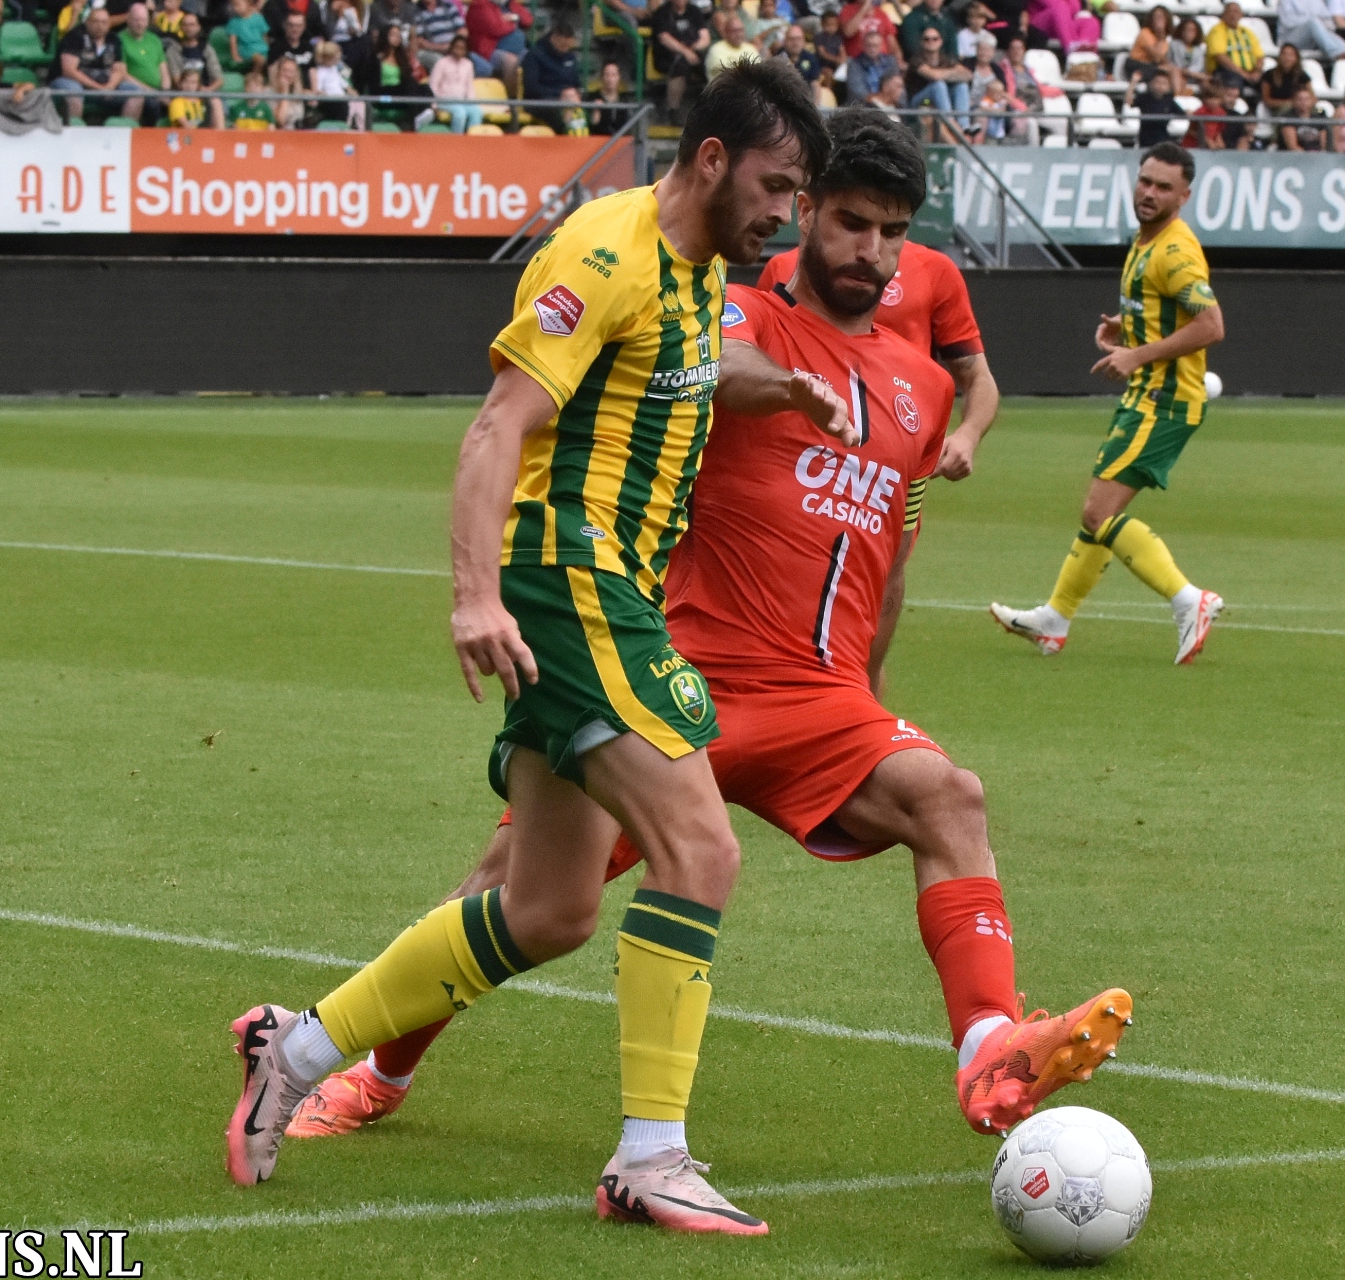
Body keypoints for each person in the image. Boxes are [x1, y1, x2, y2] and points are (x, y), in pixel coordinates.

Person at [281, 106, 1133, 1166]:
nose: (870, 250)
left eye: (892, 232)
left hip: (822, 694)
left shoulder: (918, 390)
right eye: (850, 223)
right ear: (807, 213)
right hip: (680, 669)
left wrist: (869, 693)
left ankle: (992, 1044)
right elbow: (708, 367)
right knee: (525, 887)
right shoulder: (727, 309)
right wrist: (774, 382)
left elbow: (890, 558)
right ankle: (374, 1069)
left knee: (950, 795)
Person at [222, 62, 843, 1237]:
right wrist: (473, 594)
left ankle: (292, 1052)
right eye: (776, 186)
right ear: (711, 159)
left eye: (798, 196)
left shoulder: (698, 273)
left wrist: (795, 387)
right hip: (572, 578)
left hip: (613, 590)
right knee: (700, 850)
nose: (786, 215)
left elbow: (700, 368)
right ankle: (650, 1156)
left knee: (551, 905)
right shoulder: (604, 250)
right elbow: (500, 418)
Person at [990, 143, 1225, 666]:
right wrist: (1129, 327)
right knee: (1102, 512)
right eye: (1145, 180)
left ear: (1184, 196)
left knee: (1098, 513)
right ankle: (1055, 619)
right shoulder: (1148, 241)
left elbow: (1211, 325)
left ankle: (1191, 600)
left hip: (1164, 401)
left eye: (1163, 187)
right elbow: (1168, 309)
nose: (1149, 192)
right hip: (1150, 396)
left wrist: (1136, 353)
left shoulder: (1176, 250)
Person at [758, 230, 996, 483]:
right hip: (797, 448)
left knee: (899, 523)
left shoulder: (934, 269)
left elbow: (977, 375)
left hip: (895, 454)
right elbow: (756, 366)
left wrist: (967, 436)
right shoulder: (782, 267)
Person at [54, 6, 152, 121]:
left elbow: (119, 70)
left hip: (105, 85)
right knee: (74, 93)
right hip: (73, 82)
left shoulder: (114, 39)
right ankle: (74, 133)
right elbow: (69, 71)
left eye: (104, 22)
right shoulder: (75, 36)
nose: (100, 25)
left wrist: (109, 87)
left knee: (136, 94)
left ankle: (123, 132)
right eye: (95, 21)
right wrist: (98, 88)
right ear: (87, 22)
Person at [906, 25, 972, 137]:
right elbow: (934, 76)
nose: (931, 41)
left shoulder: (945, 58)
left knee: (962, 86)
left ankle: (964, 125)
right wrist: (952, 72)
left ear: (940, 41)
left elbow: (968, 75)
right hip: (921, 102)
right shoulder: (916, 59)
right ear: (922, 42)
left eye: (935, 38)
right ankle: (950, 122)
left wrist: (945, 74)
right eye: (927, 39)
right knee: (938, 85)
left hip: (939, 100)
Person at [651, 0, 710, 123]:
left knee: (711, 63)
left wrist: (692, 49)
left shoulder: (694, 11)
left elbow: (705, 37)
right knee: (680, 65)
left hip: (693, 52)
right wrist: (685, 51)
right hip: (667, 55)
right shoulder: (662, 12)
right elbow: (664, 38)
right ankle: (672, 110)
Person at [164, 13, 225, 124]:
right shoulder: (174, 50)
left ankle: (219, 139)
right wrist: (191, 89)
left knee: (216, 102)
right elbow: (177, 80)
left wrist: (206, 90)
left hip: (204, 93)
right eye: (185, 25)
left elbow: (219, 79)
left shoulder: (207, 49)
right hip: (183, 93)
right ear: (181, 27)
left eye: (192, 25)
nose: (189, 28)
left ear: (198, 27)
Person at [521, 20, 582, 129]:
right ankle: (565, 139)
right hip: (541, 101)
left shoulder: (570, 57)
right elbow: (531, 88)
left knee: (594, 105)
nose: (566, 50)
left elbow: (576, 83)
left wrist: (576, 93)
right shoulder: (534, 56)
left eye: (569, 47)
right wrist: (560, 95)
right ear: (554, 37)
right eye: (563, 45)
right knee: (557, 111)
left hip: (569, 98)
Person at [466, 0, 532, 92]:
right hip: (489, 51)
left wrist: (514, 17)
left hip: (517, 49)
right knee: (511, 61)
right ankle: (511, 99)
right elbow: (496, 28)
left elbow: (528, 20)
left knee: (533, 57)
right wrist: (513, 24)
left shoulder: (510, 4)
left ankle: (531, 96)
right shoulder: (479, 5)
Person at [117, 3, 170, 113]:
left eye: (143, 20)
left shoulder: (155, 40)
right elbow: (123, 74)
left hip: (159, 92)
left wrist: (165, 91)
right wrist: (151, 92)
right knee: (154, 106)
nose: (140, 24)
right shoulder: (119, 40)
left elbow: (164, 71)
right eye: (136, 20)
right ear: (128, 20)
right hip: (136, 90)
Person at [1205, 3, 1262, 95]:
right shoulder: (1217, 31)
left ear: (1241, 15)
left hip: (1249, 72)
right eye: (1230, 12)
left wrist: (1257, 72)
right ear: (1224, 15)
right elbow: (1220, 57)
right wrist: (1243, 74)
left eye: (1236, 12)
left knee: (1270, 81)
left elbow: (1259, 56)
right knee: (1233, 81)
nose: (1233, 15)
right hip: (1226, 71)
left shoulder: (1247, 32)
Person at [430, 32, 478, 131]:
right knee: (460, 113)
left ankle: (473, 142)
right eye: (456, 48)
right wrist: (433, 105)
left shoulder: (468, 64)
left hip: (462, 101)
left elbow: (469, 87)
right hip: (444, 100)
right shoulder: (441, 63)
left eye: (462, 49)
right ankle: (457, 142)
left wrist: (472, 103)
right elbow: (433, 85)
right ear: (451, 48)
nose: (458, 51)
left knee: (477, 112)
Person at [1128, 65, 1184, 146]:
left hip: (1163, 138)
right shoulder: (1144, 98)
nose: (1160, 86)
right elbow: (1129, 102)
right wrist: (1133, 82)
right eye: (1157, 82)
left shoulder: (1169, 101)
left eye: (1164, 83)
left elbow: (1182, 114)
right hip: (1145, 139)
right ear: (1151, 83)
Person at [1189, 79, 1253, 147]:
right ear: (1204, 99)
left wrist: (1218, 141)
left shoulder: (1222, 114)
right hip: (1196, 145)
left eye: (1216, 98)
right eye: (1210, 98)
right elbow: (1191, 131)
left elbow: (1218, 131)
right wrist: (1207, 140)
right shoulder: (1200, 112)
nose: (1213, 101)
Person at [1129, 5, 1177, 92]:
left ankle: (1178, 95)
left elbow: (1162, 59)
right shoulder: (1145, 33)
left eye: (1161, 17)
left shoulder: (1165, 41)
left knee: (1175, 70)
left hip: (1151, 66)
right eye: (1156, 17)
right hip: (1137, 65)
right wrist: (1161, 37)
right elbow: (1156, 58)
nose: (1159, 20)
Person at [847, 26, 901, 102]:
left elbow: (897, 86)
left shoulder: (891, 62)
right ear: (862, 46)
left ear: (881, 45)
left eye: (875, 45)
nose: (872, 49)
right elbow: (857, 90)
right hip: (863, 106)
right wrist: (877, 101)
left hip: (888, 104)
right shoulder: (854, 63)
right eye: (869, 45)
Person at [408, 0, 462, 70]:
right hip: (431, 50)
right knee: (441, 62)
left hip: (453, 46)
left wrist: (454, 46)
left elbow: (462, 31)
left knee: (476, 63)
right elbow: (419, 41)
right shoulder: (416, 12)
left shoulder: (448, 6)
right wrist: (441, 48)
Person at [587, 59, 637, 131]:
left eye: (613, 75)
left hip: (620, 140)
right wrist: (595, 112)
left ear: (619, 77)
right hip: (599, 140)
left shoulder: (624, 99)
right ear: (602, 77)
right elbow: (591, 126)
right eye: (607, 75)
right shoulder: (592, 98)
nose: (610, 79)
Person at [1276, 81, 1332, 147]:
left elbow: (1323, 146)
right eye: (1300, 99)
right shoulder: (1288, 119)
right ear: (1293, 101)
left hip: (1317, 155)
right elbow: (1293, 147)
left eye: (1306, 99)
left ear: (1312, 100)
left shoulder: (1319, 119)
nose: (1303, 103)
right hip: (1296, 156)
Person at [705, 11, 759, 77]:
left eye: (740, 30)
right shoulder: (716, 49)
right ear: (726, 32)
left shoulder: (751, 48)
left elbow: (758, 70)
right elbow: (727, 73)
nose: (738, 34)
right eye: (734, 31)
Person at [269, 10, 321, 79]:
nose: (295, 29)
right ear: (285, 25)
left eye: (298, 26)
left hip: (307, 88)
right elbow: (272, 72)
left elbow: (313, 71)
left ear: (304, 27)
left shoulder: (308, 47)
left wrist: (314, 89)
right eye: (291, 25)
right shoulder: (276, 47)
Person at [224, 0, 272, 73]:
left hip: (261, 47)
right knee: (259, 59)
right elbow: (233, 41)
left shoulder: (259, 18)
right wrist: (235, 56)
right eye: (233, 6)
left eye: (237, 5)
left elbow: (264, 35)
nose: (235, 8)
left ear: (249, 4)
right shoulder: (234, 22)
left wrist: (267, 47)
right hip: (246, 49)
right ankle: (255, 75)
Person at [1260, 42, 1310, 110]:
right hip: (1279, 110)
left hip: (1300, 109)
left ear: (1296, 58)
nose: (1287, 58)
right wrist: (1288, 103)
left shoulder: (1302, 75)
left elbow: (1312, 96)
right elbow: (1266, 100)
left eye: (1291, 55)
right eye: (1285, 54)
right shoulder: (1269, 75)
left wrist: (1302, 103)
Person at [775, 21, 820, 90]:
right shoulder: (777, 58)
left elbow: (815, 84)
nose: (795, 43)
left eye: (798, 39)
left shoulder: (811, 59)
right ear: (785, 42)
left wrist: (816, 101)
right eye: (791, 39)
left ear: (804, 41)